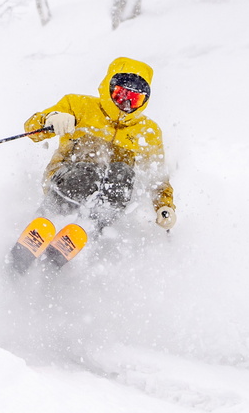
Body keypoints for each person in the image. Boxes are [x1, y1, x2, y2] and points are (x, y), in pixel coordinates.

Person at [9, 57, 176, 272]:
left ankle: (85, 232)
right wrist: (51, 119)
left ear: (144, 101)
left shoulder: (148, 131)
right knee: (90, 170)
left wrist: (164, 206)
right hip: (69, 177)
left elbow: (156, 176)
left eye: (134, 100)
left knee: (122, 173)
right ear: (109, 88)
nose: (125, 104)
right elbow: (31, 129)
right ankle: (46, 222)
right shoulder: (79, 106)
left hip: (109, 195)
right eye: (120, 94)